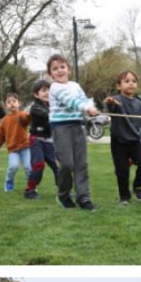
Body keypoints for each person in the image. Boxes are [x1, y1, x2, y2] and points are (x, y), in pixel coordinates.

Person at [47, 53, 100, 212]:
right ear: (51, 74)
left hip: (78, 126)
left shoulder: (75, 85)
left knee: (81, 164)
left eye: (62, 67)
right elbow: (70, 101)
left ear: (68, 69)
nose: (60, 71)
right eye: (55, 69)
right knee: (67, 164)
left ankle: (84, 198)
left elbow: (84, 99)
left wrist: (91, 107)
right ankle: (63, 195)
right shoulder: (55, 87)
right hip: (61, 128)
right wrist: (86, 108)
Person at [103, 70, 141, 205]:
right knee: (122, 171)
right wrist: (110, 103)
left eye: (133, 81)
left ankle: (138, 187)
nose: (131, 84)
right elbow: (111, 108)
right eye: (126, 81)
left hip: (134, 142)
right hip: (118, 142)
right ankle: (124, 197)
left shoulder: (139, 104)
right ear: (119, 86)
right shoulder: (117, 100)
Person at [25, 80, 59, 200]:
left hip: (49, 141)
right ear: (36, 94)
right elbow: (47, 114)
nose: (47, 93)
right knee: (39, 164)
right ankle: (30, 190)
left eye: (49, 90)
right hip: (36, 141)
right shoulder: (35, 108)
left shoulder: (52, 106)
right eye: (44, 90)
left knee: (58, 165)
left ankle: (63, 190)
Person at [0, 92, 32, 193]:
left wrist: (29, 114)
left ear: (19, 103)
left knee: (28, 166)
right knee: (13, 166)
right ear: (6, 106)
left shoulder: (22, 114)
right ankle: (9, 182)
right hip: (12, 149)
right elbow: (1, 136)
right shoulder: (4, 121)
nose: (12, 104)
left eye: (14, 101)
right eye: (8, 102)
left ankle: (31, 185)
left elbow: (27, 119)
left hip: (25, 146)